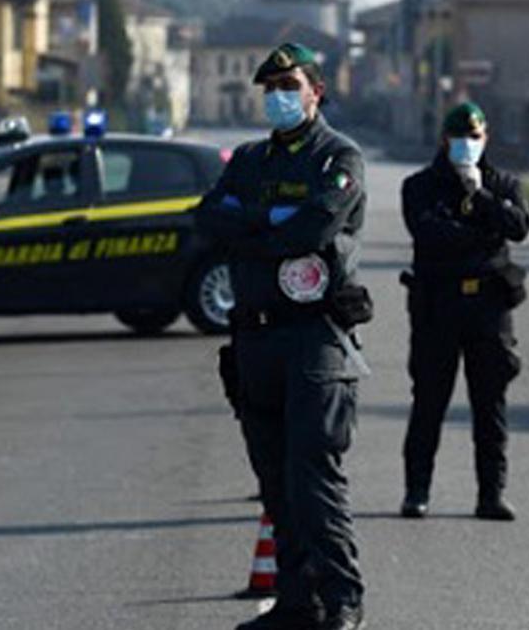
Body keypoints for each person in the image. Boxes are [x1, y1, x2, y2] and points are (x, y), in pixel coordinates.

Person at [197, 42, 369, 630]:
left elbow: (317, 225)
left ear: (316, 91)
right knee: (275, 482)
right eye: (270, 89)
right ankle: (297, 602)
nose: (278, 97)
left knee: (313, 475)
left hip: (313, 339)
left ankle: (344, 598)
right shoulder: (248, 160)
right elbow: (208, 216)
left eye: (289, 86)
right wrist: (269, 227)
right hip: (255, 339)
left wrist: (252, 229)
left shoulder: (338, 157)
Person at [399, 101, 529, 521]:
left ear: (485, 139)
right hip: (438, 305)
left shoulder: (502, 183)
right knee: (429, 403)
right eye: (460, 138)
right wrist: (481, 235)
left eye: (475, 138)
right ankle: (416, 491)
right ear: (444, 140)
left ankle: (491, 494)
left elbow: (519, 227)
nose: (467, 145)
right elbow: (430, 232)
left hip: (489, 307)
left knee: (490, 403)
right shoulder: (420, 185)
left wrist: (483, 198)